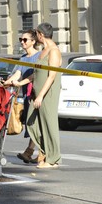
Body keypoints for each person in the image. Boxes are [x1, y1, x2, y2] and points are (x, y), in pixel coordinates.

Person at [14, 22, 62, 169]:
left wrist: (41, 95)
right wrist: (20, 83)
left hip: (47, 94)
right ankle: (45, 152)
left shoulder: (54, 51)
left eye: (37, 34)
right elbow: (37, 74)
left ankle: (53, 159)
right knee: (32, 122)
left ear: (41, 35)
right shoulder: (44, 50)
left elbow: (51, 76)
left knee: (49, 125)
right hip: (37, 92)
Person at [2, 29, 41, 163]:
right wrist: (6, 83)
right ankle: (33, 152)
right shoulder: (23, 59)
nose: (22, 42)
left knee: (35, 124)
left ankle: (31, 152)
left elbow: (36, 75)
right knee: (32, 123)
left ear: (33, 41)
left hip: (38, 94)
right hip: (28, 96)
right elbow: (17, 74)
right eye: (21, 40)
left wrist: (19, 83)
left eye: (25, 40)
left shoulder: (40, 56)